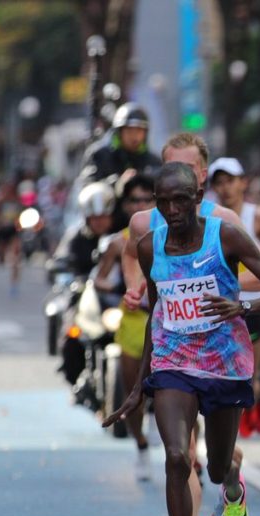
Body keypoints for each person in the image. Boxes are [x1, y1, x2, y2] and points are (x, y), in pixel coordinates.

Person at [104, 162, 260, 516]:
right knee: (176, 457)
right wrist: (138, 385)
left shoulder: (225, 235)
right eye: (163, 201)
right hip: (174, 365)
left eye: (180, 200)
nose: (171, 209)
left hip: (226, 366)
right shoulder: (151, 247)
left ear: (197, 196)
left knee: (214, 467)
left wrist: (241, 305)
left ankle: (232, 486)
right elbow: (158, 311)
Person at [122, 132, 244, 516]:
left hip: (221, 347)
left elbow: (253, 273)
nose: (177, 183)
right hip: (174, 353)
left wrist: (228, 298)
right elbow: (139, 267)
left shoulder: (225, 222)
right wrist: (137, 290)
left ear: (202, 180)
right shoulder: (143, 225)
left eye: (188, 170)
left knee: (212, 461)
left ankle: (230, 476)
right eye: (168, 168)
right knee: (179, 457)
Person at [207, 158, 260, 440]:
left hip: (255, 303)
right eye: (219, 182)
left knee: (252, 369)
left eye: (230, 181)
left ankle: (254, 399)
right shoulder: (209, 218)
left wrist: (253, 258)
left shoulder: (257, 216)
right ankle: (238, 408)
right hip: (219, 306)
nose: (225, 188)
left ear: (243, 182)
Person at [93, 174, 156, 479]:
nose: (141, 205)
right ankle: (141, 445)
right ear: (125, 205)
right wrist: (120, 287)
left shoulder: (171, 235)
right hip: (132, 321)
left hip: (166, 321)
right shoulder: (118, 242)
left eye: (147, 199)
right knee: (133, 391)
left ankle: (185, 452)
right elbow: (99, 278)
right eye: (135, 200)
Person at [80, 103, 162, 183]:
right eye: (129, 131)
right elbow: (88, 186)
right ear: (119, 132)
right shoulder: (99, 156)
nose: (134, 136)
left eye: (139, 131)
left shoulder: (154, 162)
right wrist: (117, 184)